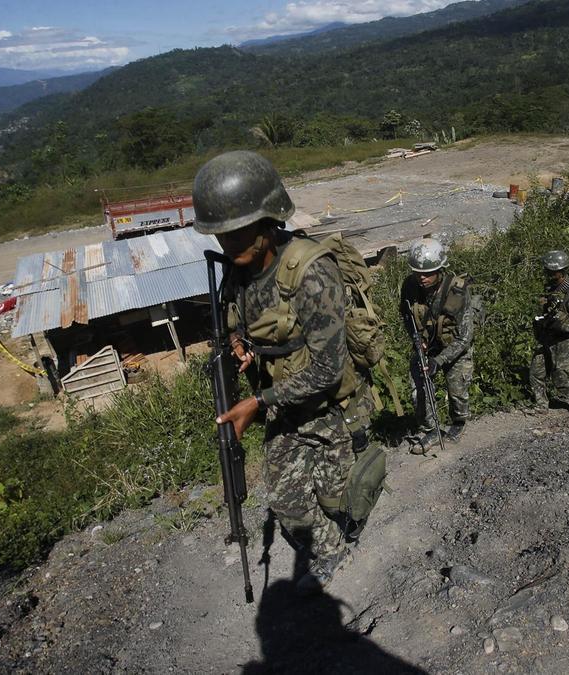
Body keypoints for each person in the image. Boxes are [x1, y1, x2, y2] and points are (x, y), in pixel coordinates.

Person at [193, 150, 365, 596]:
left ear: (268, 223)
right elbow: (237, 318)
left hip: (328, 406)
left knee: (339, 497)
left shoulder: (311, 275)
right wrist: (240, 346)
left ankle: (348, 517)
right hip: (283, 404)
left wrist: (257, 403)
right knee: (287, 503)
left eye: (237, 233)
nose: (228, 244)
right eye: (221, 235)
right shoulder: (239, 271)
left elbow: (328, 368)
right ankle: (331, 553)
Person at [400, 239, 476, 451]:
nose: (421, 278)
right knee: (418, 389)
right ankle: (430, 429)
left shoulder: (457, 292)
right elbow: (406, 317)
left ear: (440, 269)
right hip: (426, 346)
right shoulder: (409, 286)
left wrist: (439, 361)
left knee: (457, 390)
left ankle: (458, 423)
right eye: (417, 273)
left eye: (427, 273)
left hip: (455, 347)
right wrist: (417, 342)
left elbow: (465, 337)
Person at [529, 250, 569, 413]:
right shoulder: (551, 289)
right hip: (547, 337)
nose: (546, 273)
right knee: (536, 371)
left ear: (559, 272)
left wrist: (560, 326)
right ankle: (541, 405)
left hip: (563, 342)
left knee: (559, 375)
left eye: (549, 271)